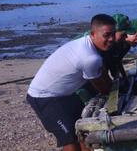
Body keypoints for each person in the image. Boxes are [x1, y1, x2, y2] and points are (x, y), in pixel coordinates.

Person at [27, 14, 114, 151]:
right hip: (44, 97)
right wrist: (116, 94)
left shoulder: (88, 44)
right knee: (69, 140)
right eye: (107, 35)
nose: (111, 39)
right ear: (92, 34)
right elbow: (102, 87)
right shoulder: (89, 57)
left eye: (113, 35)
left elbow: (103, 73)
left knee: (83, 130)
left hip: (66, 94)